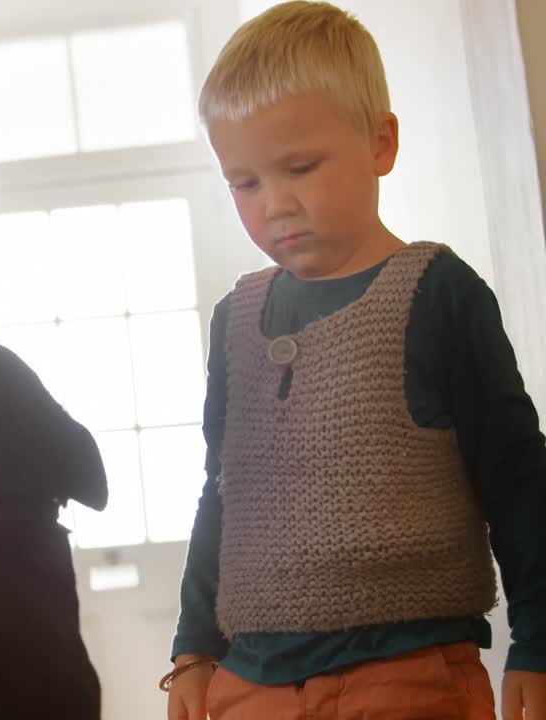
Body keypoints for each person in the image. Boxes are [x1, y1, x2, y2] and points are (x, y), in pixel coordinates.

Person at [162, 3, 546, 719]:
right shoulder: (235, 320)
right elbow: (221, 495)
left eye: (300, 167)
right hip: (251, 682)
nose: (275, 204)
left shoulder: (439, 295)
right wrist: (192, 650)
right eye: (245, 183)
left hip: (407, 675)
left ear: (380, 143)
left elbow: (519, 480)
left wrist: (538, 643)